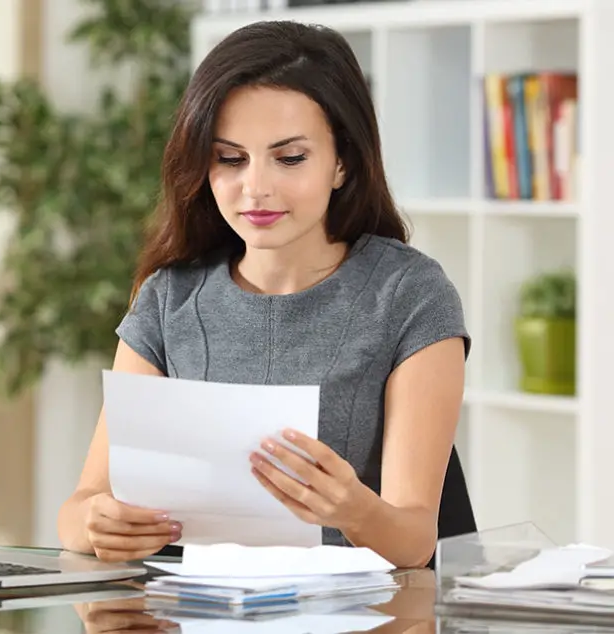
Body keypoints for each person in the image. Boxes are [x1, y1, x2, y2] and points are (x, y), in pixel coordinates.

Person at [56, 19, 476, 569]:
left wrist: (354, 511)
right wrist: (96, 523)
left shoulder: (409, 296)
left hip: (355, 617)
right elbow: (80, 507)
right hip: (191, 612)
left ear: (342, 161)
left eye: (290, 158)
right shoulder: (168, 299)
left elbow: (415, 538)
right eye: (230, 159)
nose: (256, 187)